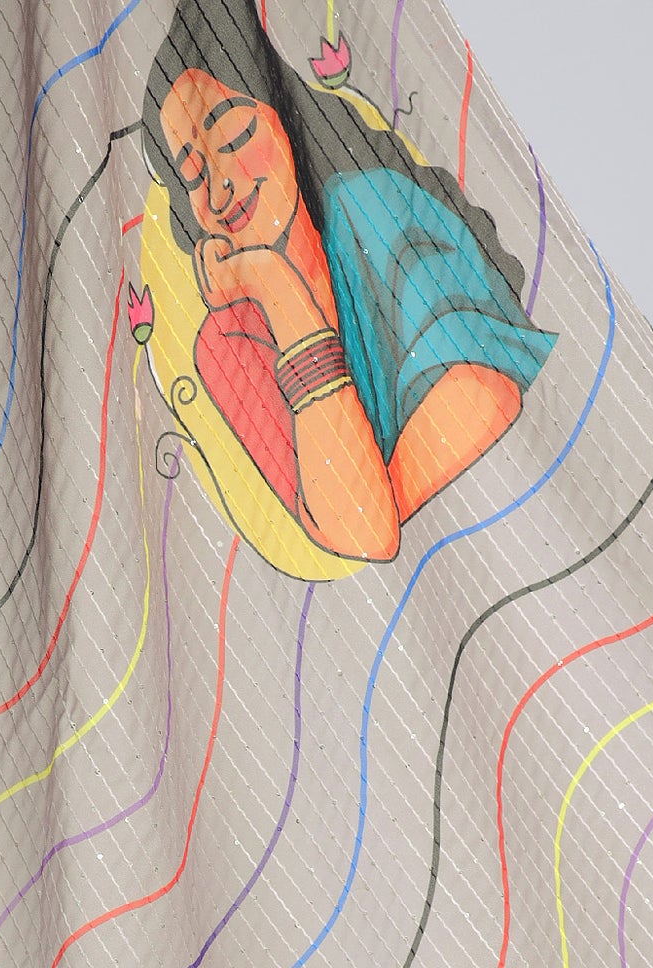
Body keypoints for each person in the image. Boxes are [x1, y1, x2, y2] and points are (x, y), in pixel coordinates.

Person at [139, 0, 554, 565]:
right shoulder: (224, 342)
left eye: (234, 137)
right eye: (192, 175)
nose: (218, 190)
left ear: (287, 119)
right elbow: (365, 533)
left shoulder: (381, 210)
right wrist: (280, 294)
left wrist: (365, 492)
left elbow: (483, 400)